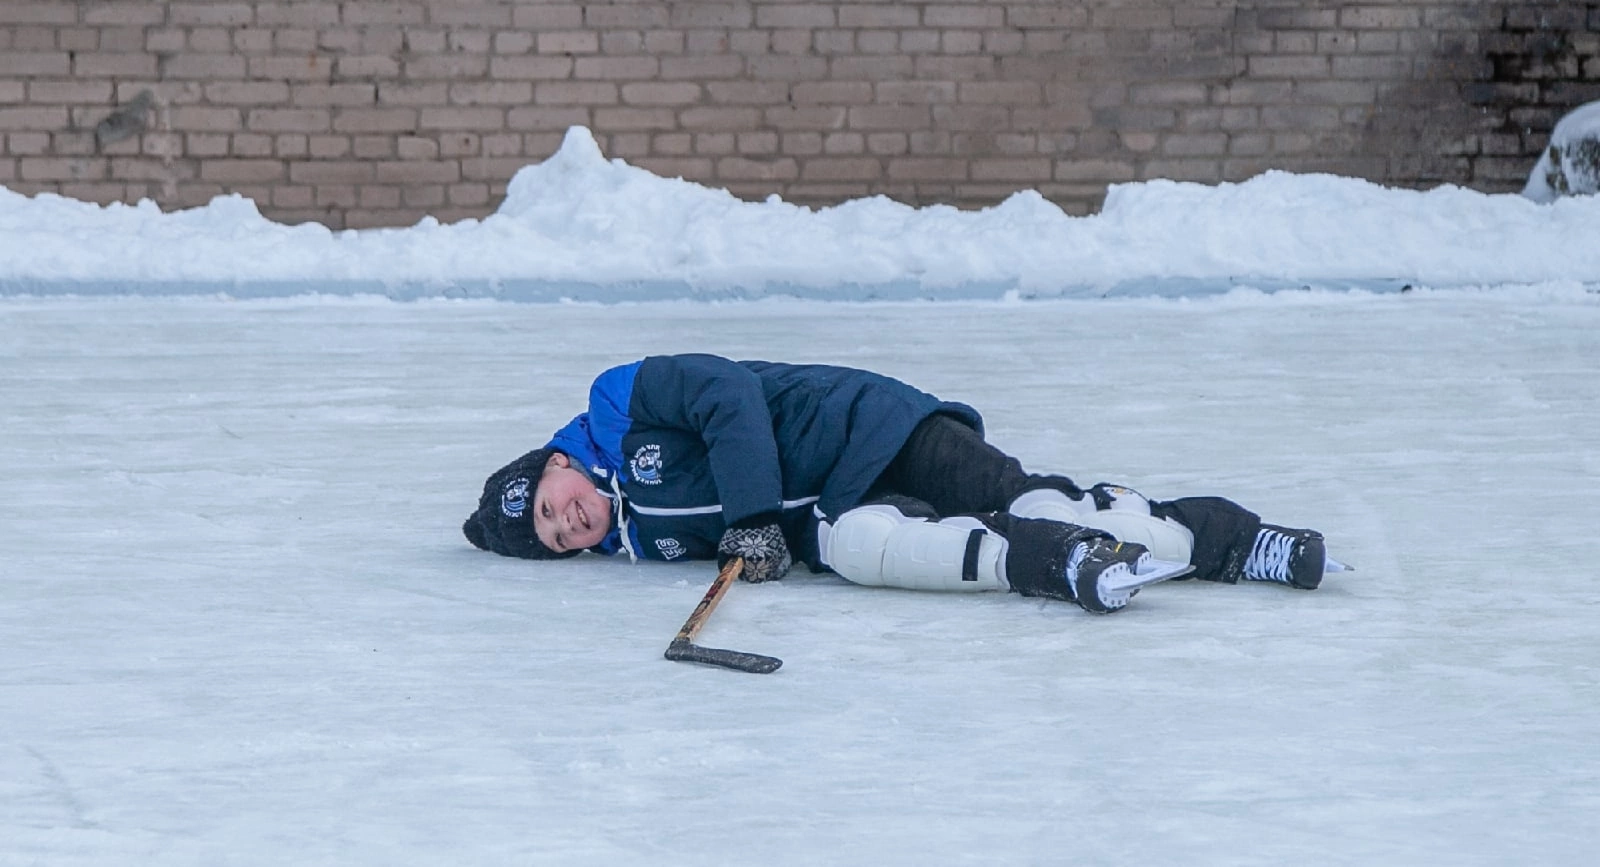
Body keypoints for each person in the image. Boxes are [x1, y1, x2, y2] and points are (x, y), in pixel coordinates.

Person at [462, 354, 1348, 614]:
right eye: (553, 538)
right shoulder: (636, 535)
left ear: (557, 462)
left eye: (550, 505)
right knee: (868, 549)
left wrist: (752, 521)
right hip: (836, 507)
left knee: (1027, 491)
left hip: (863, 422)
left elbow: (730, 396)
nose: (567, 522)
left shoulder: (622, 403)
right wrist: (773, 538)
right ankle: (1066, 564)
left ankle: (1239, 541)